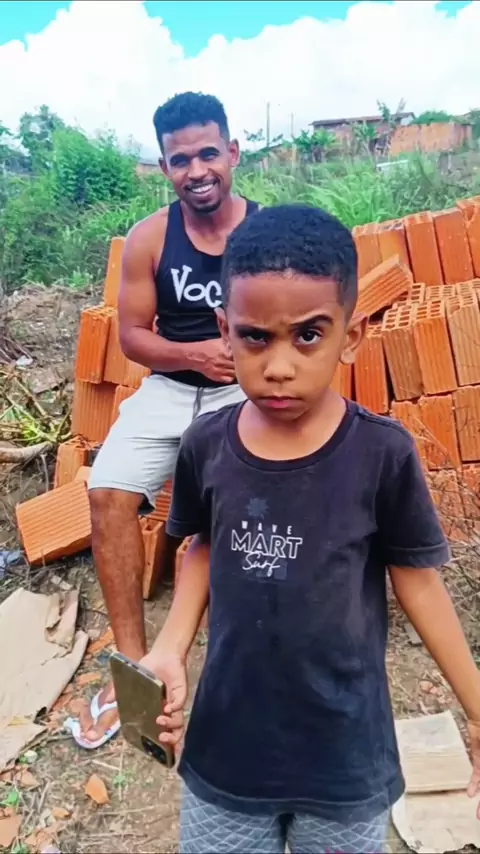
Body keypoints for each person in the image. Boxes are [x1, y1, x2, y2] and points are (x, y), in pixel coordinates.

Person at [141, 204, 480, 854]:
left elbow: (419, 583)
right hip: (227, 752)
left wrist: (476, 707)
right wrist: (170, 647)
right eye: (255, 337)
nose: (278, 366)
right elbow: (204, 545)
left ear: (350, 336)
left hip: (343, 759)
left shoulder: (381, 454)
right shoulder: (205, 445)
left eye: (307, 336)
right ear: (224, 331)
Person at [66, 92, 259, 749]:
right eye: (181, 160)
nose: (197, 170)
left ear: (232, 153)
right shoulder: (151, 239)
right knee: (106, 494)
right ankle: (135, 672)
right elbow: (132, 336)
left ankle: (246, 668)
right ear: (164, 166)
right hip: (170, 387)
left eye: (208, 153)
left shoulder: (264, 235)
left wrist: (245, 362)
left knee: (249, 507)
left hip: (242, 391)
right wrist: (195, 354)